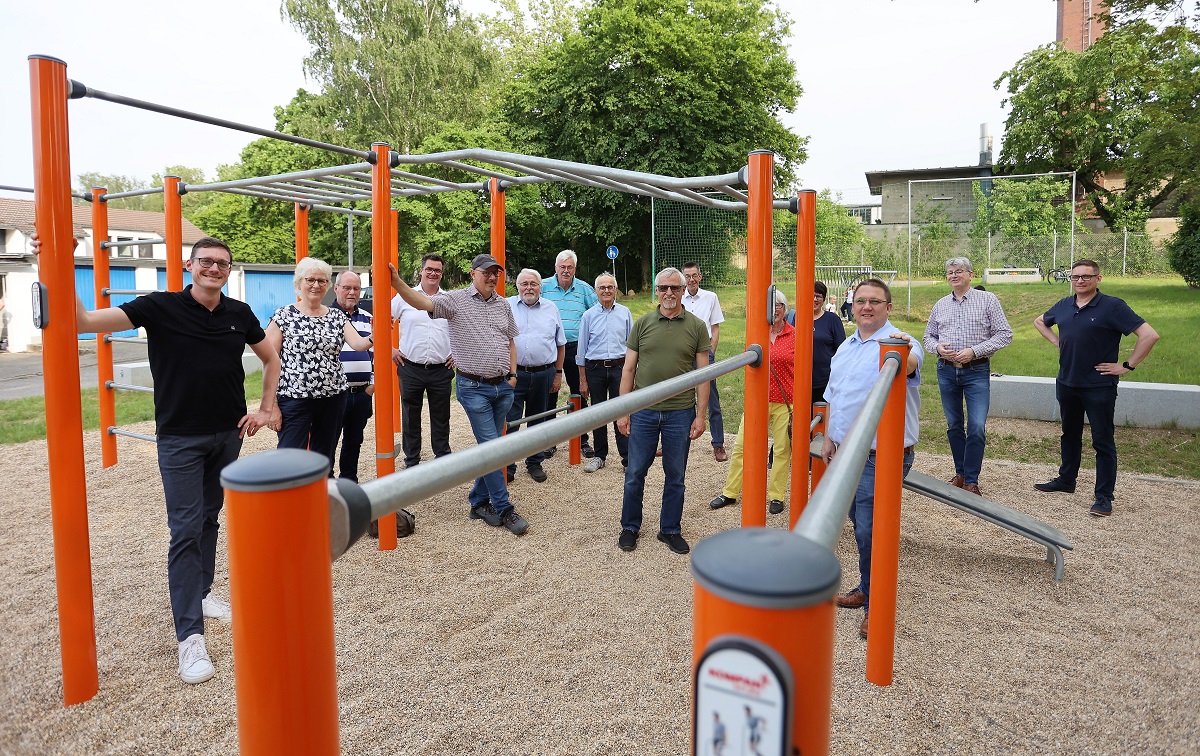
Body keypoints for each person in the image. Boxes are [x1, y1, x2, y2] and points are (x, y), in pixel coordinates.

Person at [65, 235, 281, 685]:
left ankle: (201, 592)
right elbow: (84, 320)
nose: (214, 269)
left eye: (222, 263)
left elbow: (270, 357)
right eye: (206, 262)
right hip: (179, 440)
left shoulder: (238, 313)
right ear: (189, 265)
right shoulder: (157, 307)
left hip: (227, 435)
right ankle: (189, 638)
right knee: (184, 527)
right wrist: (64, 262)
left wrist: (266, 407)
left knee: (209, 518)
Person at [388, 253, 529, 536]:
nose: (491, 277)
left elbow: (511, 341)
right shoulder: (455, 300)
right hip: (473, 387)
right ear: (473, 274)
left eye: (495, 273)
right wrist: (397, 283)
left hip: (503, 387)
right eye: (486, 272)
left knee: (490, 446)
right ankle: (504, 508)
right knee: (493, 448)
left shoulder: (503, 304)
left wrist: (513, 376)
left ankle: (478, 501)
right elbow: (422, 302)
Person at [821, 278, 923, 640]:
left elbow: (909, 363)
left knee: (870, 529)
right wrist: (828, 438)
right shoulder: (846, 347)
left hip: (881, 454)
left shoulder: (900, 342)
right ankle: (868, 586)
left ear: (888, 308)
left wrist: (899, 354)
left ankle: (877, 606)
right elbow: (833, 395)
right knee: (861, 526)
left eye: (875, 302)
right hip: (846, 452)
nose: (866, 307)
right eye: (860, 301)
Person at [1033, 259, 1159, 517]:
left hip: (1098, 386)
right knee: (1069, 434)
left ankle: (1103, 497)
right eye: (1075, 276)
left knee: (1102, 441)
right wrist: (1059, 342)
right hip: (1067, 381)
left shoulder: (1113, 306)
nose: (1080, 281)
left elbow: (1149, 335)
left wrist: (1127, 365)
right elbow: (1039, 322)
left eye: (1086, 277)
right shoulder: (1064, 304)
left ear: (1098, 279)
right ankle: (1066, 480)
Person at [616, 267, 710, 555]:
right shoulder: (643, 324)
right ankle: (629, 526)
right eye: (663, 288)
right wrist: (624, 410)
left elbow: (703, 374)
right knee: (634, 472)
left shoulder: (696, 326)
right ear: (656, 291)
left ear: (683, 290)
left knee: (676, 475)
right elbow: (629, 368)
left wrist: (701, 414)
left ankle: (670, 529)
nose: (668, 293)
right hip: (643, 411)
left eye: (674, 288)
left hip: (680, 413)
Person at [266, 258, 373, 471]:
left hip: (333, 399)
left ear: (328, 286)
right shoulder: (284, 315)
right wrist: (271, 406)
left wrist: (375, 336)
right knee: (290, 455)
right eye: (311, 280)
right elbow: (269, 361)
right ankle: (290, 501)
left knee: (324, 456)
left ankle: (319, 500)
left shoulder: (336, 316)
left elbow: (358, 343)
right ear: (299, 283)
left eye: (322, 281)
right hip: (294, 399)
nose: (316, 285)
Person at [922, 257, 1013, 497]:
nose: (953, 275)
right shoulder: (941, 304)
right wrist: (938, 348)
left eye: (958, 271)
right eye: (950, 272)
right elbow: (928, 337)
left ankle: (972, 480)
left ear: (971, 275)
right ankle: (960, 473)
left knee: (975, 427)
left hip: (976, 370)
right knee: (953, 425)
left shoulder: (988, 300)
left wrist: (975, 351)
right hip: (946, 370)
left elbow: (1005, 334)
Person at [711, 290, 795, 515]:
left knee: (781, 449)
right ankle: (731, 491)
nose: (775, 309)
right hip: (757, 400)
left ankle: (776, 496)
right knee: (741, 446)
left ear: (784, 309)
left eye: (779, 305)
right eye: (771, 305)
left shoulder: (794, 335)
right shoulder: (756, 333)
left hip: (785, 401)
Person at [391, 254, 454, 468]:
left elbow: (462, 329)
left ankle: (442, 457)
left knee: (441, 415)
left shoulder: (449, 299)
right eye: (429, 269)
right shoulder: (404, 297)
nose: (433, 273)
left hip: (440, 368)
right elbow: (380, 321)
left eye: (437, 270)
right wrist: (390, 350)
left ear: (442, 274)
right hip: (410, 367)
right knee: (410, 416)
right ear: (421, 271)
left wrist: (457, 352)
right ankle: (412, 460)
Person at [505, 269, 566, 484]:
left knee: (538, 420)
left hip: (543, 373)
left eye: (533, 283)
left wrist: (558, 374)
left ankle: (534, 462)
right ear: (517, 286)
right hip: (514, 374)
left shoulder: (551, 308)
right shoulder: (506, 305)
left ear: (541, 286)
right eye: (524, 283)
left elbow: (561, 345)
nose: (529, 287)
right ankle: (508, 465)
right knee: (510, 421)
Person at [541, 250, 599, 457]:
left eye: (570, 267)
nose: (566, 271)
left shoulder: (584, 289)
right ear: (555, 267)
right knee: (549, 394)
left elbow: (597, 314)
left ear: (575, 268)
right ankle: (549, 441)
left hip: (575, 347)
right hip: (550, 347)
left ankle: (582, 439)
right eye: (562, 267)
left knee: (579, 393)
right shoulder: (543, 287)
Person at [576, 273, 633, 472]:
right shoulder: (588, 316)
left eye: (610, 287)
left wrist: (632, 374)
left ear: (615, 290)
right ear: (596, 291)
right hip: (595, 369)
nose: (606, 291)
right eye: (602, 288)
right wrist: (583, 380)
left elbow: (632, 347)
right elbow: (581, 351)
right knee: (598, 414)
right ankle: (600, 456)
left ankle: (627, 459)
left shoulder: (625, 313)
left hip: (619, 368)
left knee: (622, 412)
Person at [681, 262, 728, 461]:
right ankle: (676, 441)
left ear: (700, 277)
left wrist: (711, 352)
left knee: (711, 399)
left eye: (694, 275)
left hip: (703, 353)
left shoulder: (710, 298)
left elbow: (715, 327)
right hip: (681, 354)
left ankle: (718, 444)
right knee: (678, 399)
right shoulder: (677, 296)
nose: (691, 279)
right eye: (687, 276)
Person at [331, 271, 373, 482]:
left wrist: (372, 385)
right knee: (327, 440)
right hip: (333, 393)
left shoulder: (367, 318)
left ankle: (349, 482)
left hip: (361, 392)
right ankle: (326, 485)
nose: (351, 292)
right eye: (347, 288)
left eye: (356, 288)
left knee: (354, 441)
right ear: (336, 288)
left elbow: (377, 354)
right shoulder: (325, 315)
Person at [786, 280, 847, 405]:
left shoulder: (832, 320)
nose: (814, 299)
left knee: (821, 419)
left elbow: (842, 350)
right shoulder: (795, 318)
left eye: (818, 296)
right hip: (798, 380)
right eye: (811, 295)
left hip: (825, 381)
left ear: (823, 299)